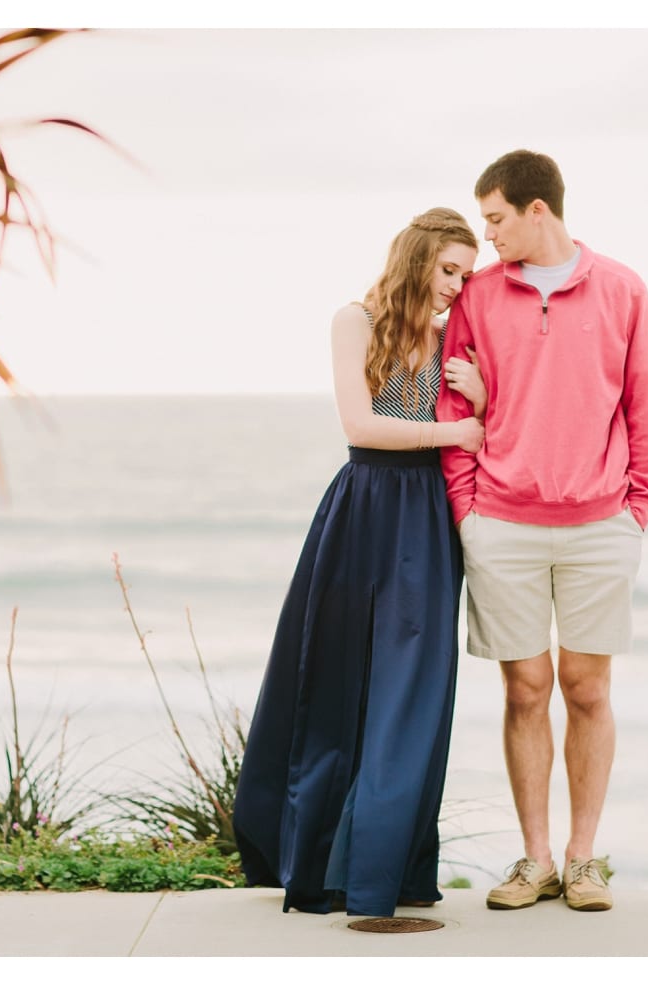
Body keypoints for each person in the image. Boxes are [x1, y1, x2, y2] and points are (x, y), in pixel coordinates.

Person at [233, 207, 486, 918]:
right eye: (448, 270)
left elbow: (489, 426)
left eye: (466, 276)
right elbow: (360, 424)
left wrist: (481, 401)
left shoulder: (449, 341)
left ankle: (384, 873)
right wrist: (456, 428)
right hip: (362, 509)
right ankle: (320, 867)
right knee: (337, 684)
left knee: (414, 696)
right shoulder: (355, 321)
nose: (456, 287)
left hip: (427, 520)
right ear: (417, 257)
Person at [437, 150, 648, 913]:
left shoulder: (623, 289)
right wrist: (467, 512)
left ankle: (582, 859)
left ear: (539, 210)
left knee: (587, 687)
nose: (488, 233)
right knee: (525, 689)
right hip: (502, 523)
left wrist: (637, 510)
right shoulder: (476, 296)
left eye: (496, 218)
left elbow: (643, 408)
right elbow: (451, 407)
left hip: (601, 524)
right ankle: (534, 858)